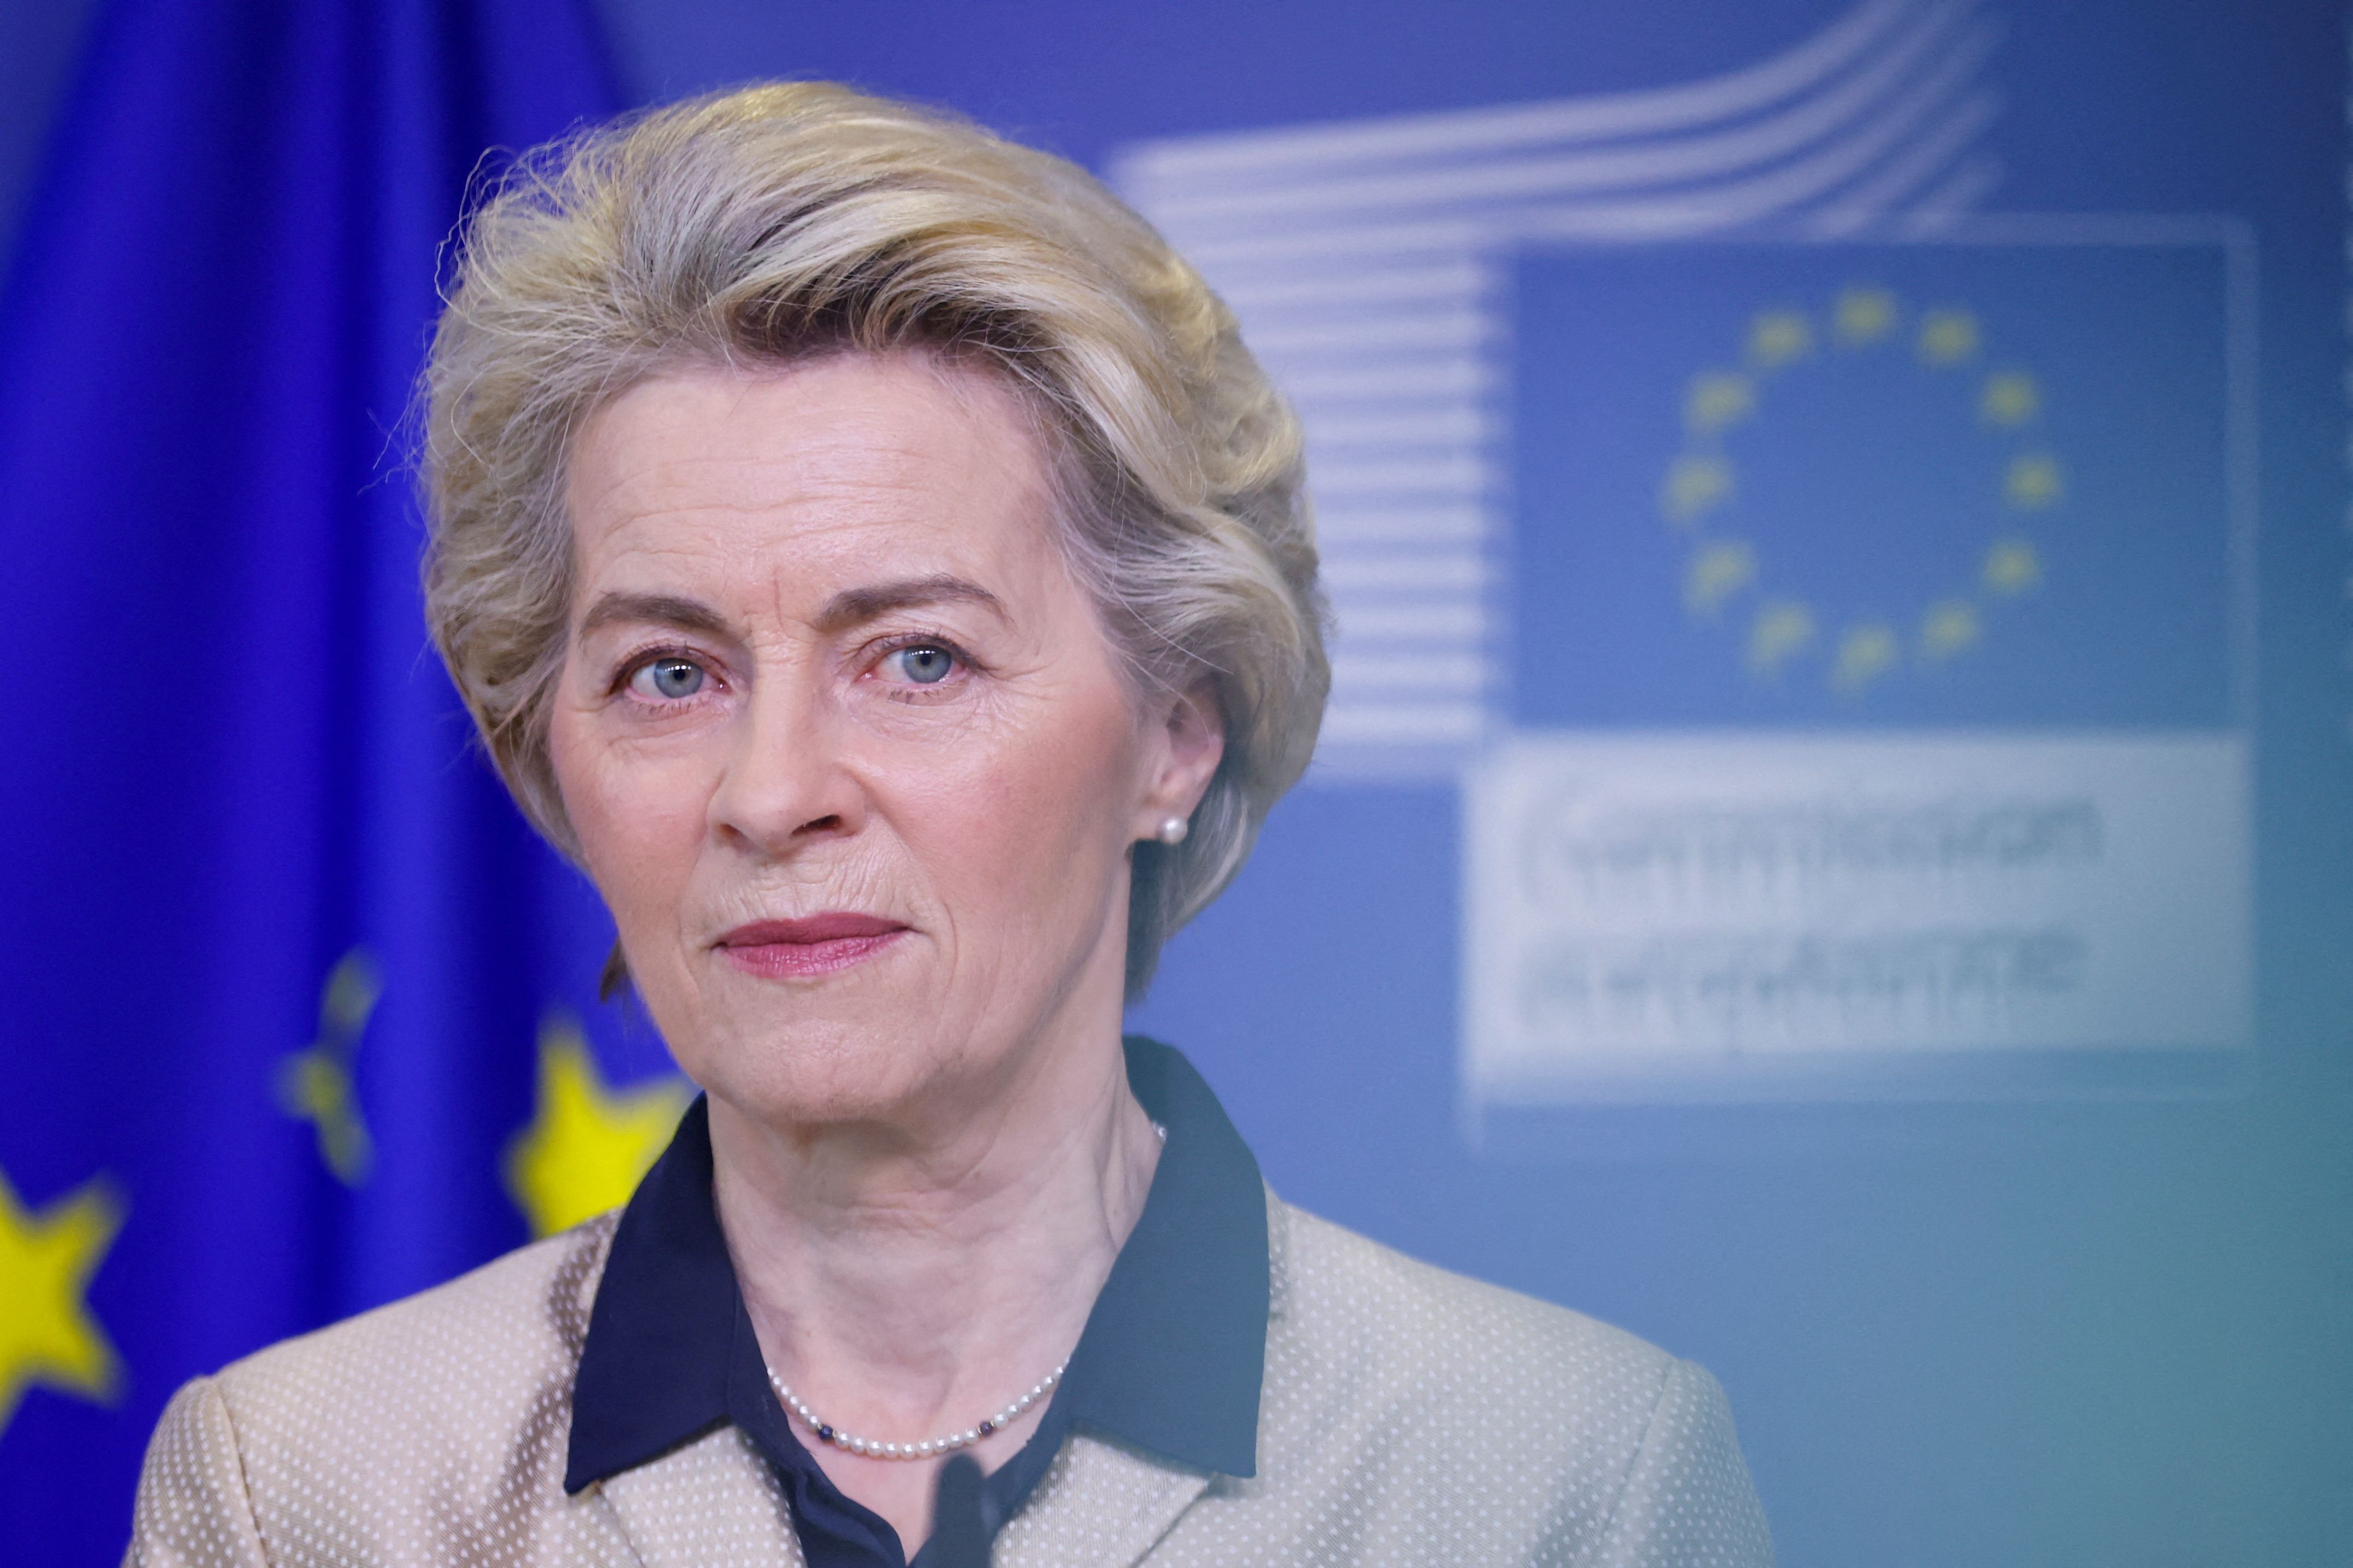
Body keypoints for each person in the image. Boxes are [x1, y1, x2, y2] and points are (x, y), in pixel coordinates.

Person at [123, 83, 1774, 1567]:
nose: (772, 792)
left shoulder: (1563, 1478)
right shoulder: (308, 1490)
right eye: (669, 673)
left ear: (1175, 735)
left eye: (918, 658)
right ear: (544, 752)